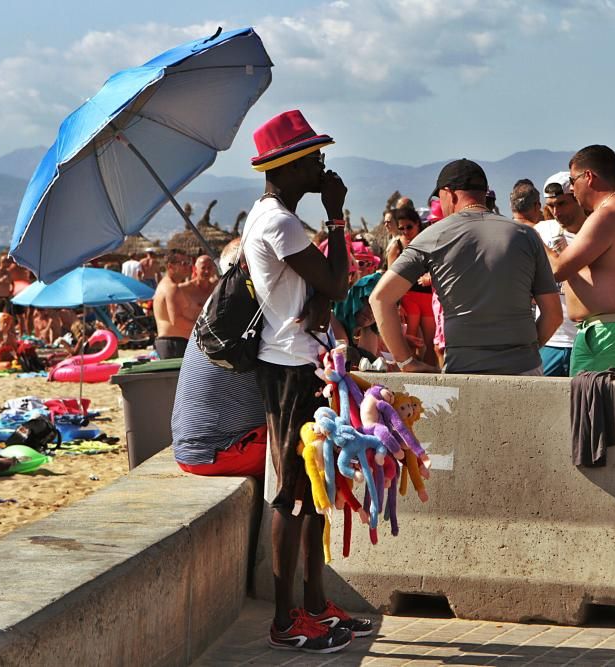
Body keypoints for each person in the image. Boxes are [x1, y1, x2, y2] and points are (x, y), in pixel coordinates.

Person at [247, 109, 367, 653]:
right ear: (289, 167)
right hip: (292, 368)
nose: (322, 164)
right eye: (314, 157)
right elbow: (338, 280)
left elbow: (321, 290)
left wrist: (323, 295)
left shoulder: (274, 218)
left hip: (303, 360)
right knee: (293, 493)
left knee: (316, 490)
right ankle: (284, 619)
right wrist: (337, 217)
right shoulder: (279, 221)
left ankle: (315, 605)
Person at [371, 158, 562, 375]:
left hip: (464, 372)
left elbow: (380, 298)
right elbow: (554, 314)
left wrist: (407, 363)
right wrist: (526, 351)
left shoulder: (433, 236)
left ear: (449, 194)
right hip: (525, 370)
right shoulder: (526, 235)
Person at [547, 145, 615, 376]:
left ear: (588, 177)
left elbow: (557, 269)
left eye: (572, 180)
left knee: (592, 408)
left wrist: (532, 237)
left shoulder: (607, 215)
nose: (572, 189)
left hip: (608, 334)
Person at [171, 336, 268, 477]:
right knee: (302, 442)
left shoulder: (207, 323)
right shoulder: (269, 325)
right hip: (224, 454)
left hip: (186, 453)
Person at [534, 172, 584, 376]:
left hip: (583, 341)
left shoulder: (592, 233)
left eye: (562, 204)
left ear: (577, 199)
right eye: (551, 205)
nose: (556, 211)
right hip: (550, 340)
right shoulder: (541, 230)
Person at [390, 208, 436, 365]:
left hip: (427, 297)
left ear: (417, 224)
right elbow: (390, 281)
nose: (405, 232)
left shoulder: (428, 243)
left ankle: (432, 379)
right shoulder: (396, 246)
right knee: (411, 340)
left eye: (409, 227)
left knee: (431, 343)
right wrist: (397, 304)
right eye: (401, 228)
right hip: (408, 298)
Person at [152, 251, 199, 359]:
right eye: (184, 263)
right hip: (174, 344)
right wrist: (202, 327)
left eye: (189, 262)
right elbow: (177, 320)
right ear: (170, 266)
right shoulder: (171, 288)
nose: (188, 266)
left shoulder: (166, 285)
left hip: (172, 343)